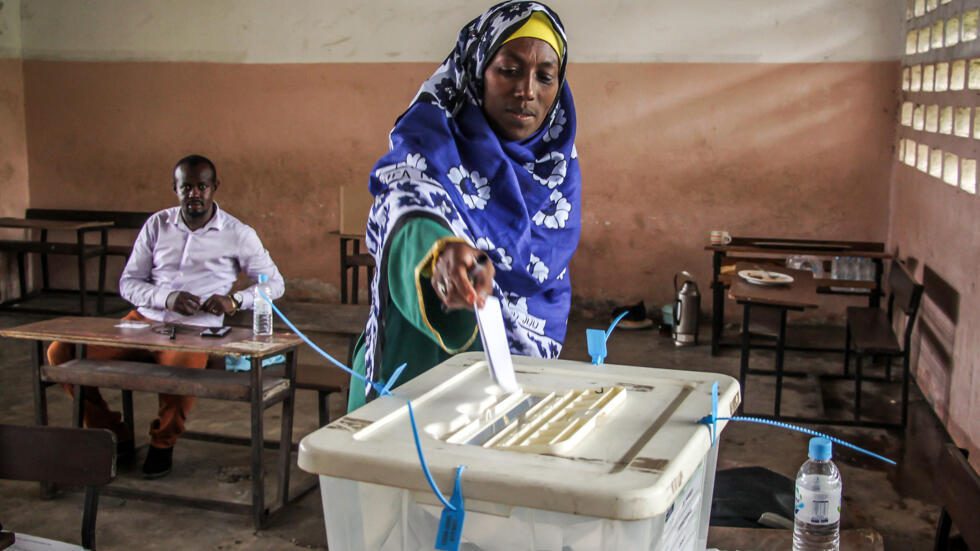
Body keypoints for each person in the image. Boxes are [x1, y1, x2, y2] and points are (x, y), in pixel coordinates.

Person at [349, 1, 580, 411]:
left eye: (545, 76)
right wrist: (442, 253)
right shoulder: (429, 145)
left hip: (510, 394)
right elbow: (406, 205)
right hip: (414, 384)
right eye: (509, 70)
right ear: (476, 70)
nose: (527, 90)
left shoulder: (556, 172)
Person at [46, 154, 285, 478]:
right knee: (61, 352)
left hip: (195, 330)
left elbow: (275, 283)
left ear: (215, 187)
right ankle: (113, 433)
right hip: (142, 321)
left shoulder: (238, 233)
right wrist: (167, 298)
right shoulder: (157, 225)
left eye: (202, 186)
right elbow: (128, 282)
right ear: (175, 188)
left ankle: (163, 442)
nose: (194, 194)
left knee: (181, 374)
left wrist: (234, 300)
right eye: (186, 187)